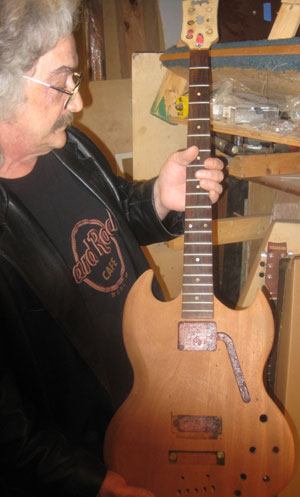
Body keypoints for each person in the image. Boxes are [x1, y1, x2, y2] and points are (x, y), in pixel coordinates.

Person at [0, 1, 224, 497]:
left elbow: (111, 215)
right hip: (93, 446)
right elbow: (8, 432)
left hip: (162, 387)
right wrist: (95, 483)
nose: (78, 103)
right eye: (64, 81)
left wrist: (158, 197)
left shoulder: (69, 146)